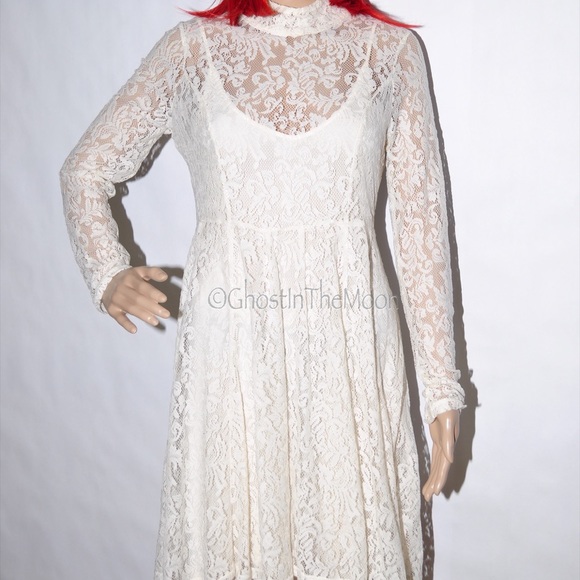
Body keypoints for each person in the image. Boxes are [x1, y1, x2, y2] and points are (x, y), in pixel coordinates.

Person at [59, 0, 466, 577]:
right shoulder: (191, 53)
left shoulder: (389, 54)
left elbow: (421, 226)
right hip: (233, 356)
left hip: (348, 349)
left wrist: (441, 387)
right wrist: (107, 270)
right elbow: (84, 170)